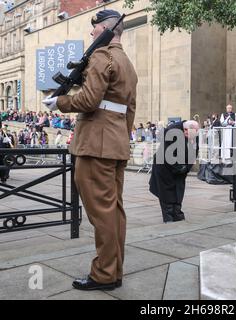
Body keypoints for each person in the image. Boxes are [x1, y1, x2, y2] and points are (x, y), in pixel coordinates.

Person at [42, 9, 138, 291]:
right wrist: (122, 137)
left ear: (106, 29)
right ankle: (114, 269)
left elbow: (88, 100)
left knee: (101, 212)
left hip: (96, 144)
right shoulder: (126, 62)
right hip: (115, 143)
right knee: (114, 210)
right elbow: (129, 110)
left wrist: (59, 102)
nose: (91, 32)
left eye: (94, 28)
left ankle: (104, 273)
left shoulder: (101, 56)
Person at [149, 120, 199, 223]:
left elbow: (194, 151)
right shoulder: (171, 131)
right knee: (167, 196)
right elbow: (168, 155)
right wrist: (181, 168)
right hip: (164, 168)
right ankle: (169, 220)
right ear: (185, 130)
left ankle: (178, 215)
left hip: (181, 169)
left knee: (178, 192)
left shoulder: (192, 131)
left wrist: (186, 168)